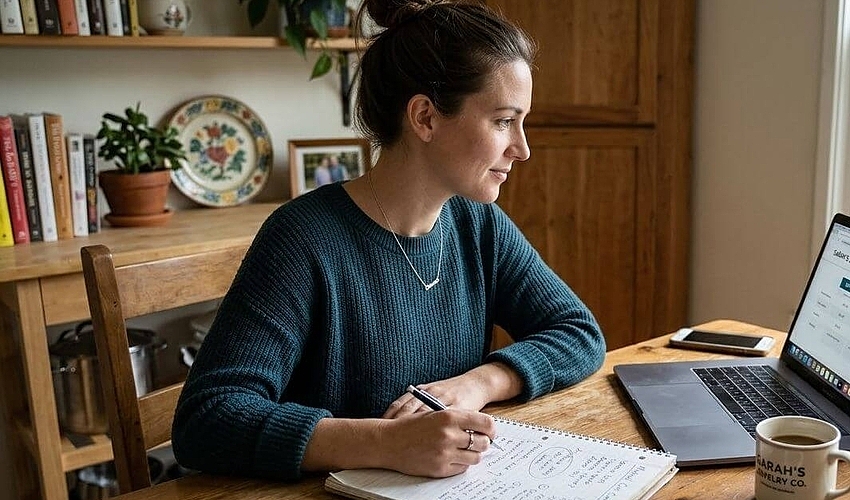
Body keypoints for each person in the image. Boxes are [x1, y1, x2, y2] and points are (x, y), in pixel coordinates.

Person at [172, 0, 606, 483]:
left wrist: (478, 383)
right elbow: (207, 420)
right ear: (424, 116)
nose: (522, 148)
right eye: (504, 121)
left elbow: (578, 333)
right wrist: (384, 442)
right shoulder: (302, 239)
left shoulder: (478, 224)